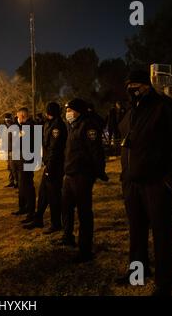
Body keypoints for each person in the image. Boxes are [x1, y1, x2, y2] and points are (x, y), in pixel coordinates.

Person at [117, 70, 172, 296]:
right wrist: (125, 177)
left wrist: (170, 181)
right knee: (137, 232)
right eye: (128, 84)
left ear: (147, 84)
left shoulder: (165, 108)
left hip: (156, 184)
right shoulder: (132, 110)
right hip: (132, 184)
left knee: (161, 233)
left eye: (136, 84)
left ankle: (164, 280)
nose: (132, 88)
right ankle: (138, 273)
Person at [61, 99, 108, 262]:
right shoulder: (72, 126)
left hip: (82, 175)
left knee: (84, 213)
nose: (67, 113)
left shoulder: (88, 126)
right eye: (67, 110)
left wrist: (99, 171)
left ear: (78, 111)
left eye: (70, 110)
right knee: (66, 208)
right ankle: (67, 237)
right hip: (69, 174)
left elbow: (96, 151)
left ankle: (85, 249)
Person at [24, 102, 67, 234]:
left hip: (54, 165)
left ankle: (56, 223)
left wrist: (50, 165)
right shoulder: (50, 123)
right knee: (43, 193)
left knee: (53, 195)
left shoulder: (57, 126)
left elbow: (55, 148)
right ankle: (38, 219)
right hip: (49, 163)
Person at [11, 108, 36, 219]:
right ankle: (23, 207)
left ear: (22, 115)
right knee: (21, 184)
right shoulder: (23, 126)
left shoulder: (30, 125)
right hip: (21, 158)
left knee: (27, 185)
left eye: (18, 116)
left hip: (27, 158)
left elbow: (21, 141)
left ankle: (30, 210)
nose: (17, 119)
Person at [4, 113, 18, 188]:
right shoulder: (7, 127)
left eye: (8, 119)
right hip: (8, 150)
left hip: (12, 150)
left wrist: (12, 150)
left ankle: (17, 182)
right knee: (9, 167)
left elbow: (15, 140)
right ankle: (11, 181)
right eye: (6, 119)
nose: (6, 120)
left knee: (14, 167)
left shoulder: (14, 127)